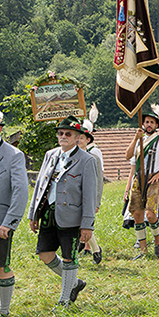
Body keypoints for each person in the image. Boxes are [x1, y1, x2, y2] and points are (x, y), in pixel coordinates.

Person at [27, 116, 97, 306]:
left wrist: (87, 225)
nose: (63, 136)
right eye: (60, 133)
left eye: (68, 134)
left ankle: (64, 299)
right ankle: (74, 283)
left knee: (69, 257)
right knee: (44, 254)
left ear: (77, 137)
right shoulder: (51, 155)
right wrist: (33, 214)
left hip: (72, 216)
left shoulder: (86, 160)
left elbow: (89, 195)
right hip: (48, 213)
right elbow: (39, 185)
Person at [124, 104, 159, 259]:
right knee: (137, 215)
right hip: (138, 178)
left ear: (156, 125)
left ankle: (157, 241)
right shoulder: (140, 139)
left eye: (152, 122)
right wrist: (135, 138)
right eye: (146, 122)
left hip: (153, 179)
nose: (149, 125)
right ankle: (143, 250)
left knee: (151, 214)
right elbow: (128, 156)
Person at [0, 112, 27, 317]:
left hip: (0, 221)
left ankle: (4, 310)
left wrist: (9, 223)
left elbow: (20, 192)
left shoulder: (14, 155)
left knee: (1, 265)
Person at [78, 104, 104, 264]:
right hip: (75, 196)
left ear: (88, 140)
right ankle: (92, 249)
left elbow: (99, 181)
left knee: (84, 224)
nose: (79, 140)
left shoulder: (93, 157)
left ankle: (93, 249)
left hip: (89, 197)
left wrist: (97, 201)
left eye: (82, 138)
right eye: (77, 137)